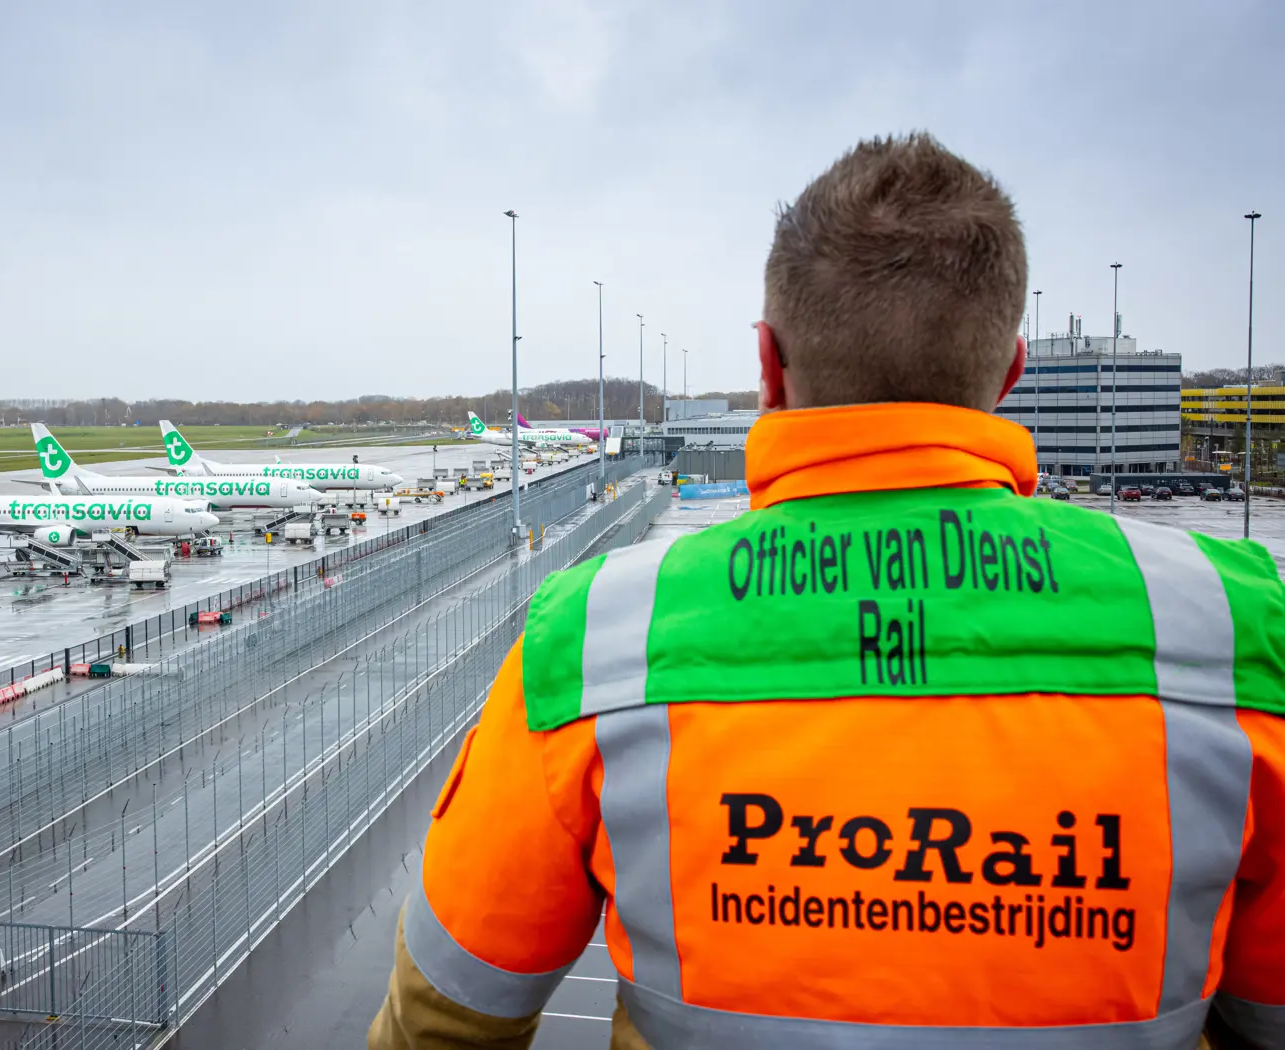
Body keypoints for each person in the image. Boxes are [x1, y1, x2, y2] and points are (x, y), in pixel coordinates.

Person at [369, 133, 1285, 1049]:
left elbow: (442, 1022)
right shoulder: (1234, 631)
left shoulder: (591, 643)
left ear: (767, 365)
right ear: (1011, 373)